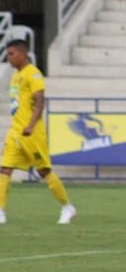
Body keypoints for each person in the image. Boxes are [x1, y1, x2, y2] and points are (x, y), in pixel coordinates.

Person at [0, 39, 76, 225]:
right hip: (16, 132)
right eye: (8, 54)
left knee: (43, 171)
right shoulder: (16, 75)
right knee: (4, 169)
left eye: (12, 54)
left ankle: (67, 207)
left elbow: (40, 100)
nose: (9, 58)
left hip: (31, 133)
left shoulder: (33, 73)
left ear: (22, 54)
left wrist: (31, 125)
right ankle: (0, 211)